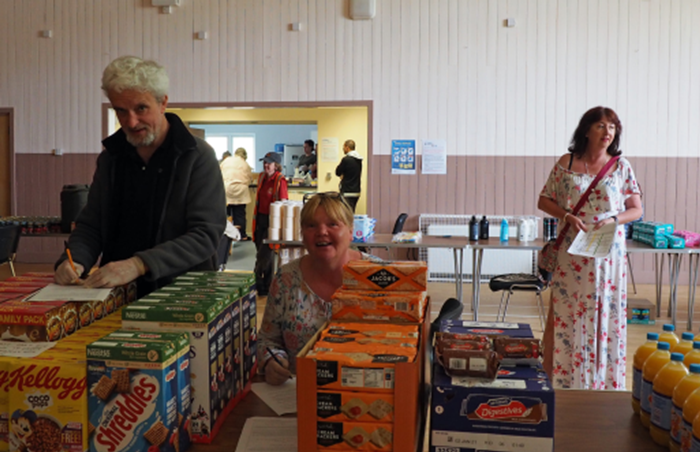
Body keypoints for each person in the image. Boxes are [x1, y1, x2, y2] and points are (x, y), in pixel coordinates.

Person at [54, 56, 226, 298]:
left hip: (183, 295)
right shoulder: (111, 158)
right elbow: (92, 225)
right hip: (117, 294)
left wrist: (138, 264)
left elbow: (205, 235)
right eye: (121, 111)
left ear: (163, 102)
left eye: (141, 108)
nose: (131, 122)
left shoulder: (197, 156)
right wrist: (75, 260)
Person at [538, 106, 642, 390]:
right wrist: (566, 216)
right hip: (572, 250)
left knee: (604, 309)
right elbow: (544, 199)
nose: (607, 132)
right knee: (568, 310)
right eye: (600, 126)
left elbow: (636, 209)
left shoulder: (621, 166)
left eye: (612, 127)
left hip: (607, 253)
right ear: (586, 130)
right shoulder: (567, 162)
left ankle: (602, 383)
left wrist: (613, 219)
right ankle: (565, 379)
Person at [258, 193, 379, 385]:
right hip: (299, 391)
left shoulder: (378, 276)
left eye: (332, 224)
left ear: (350, 231)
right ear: (302, 235)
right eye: (311, 225)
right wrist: (272, 362)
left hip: (366, 391)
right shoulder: (286, 279)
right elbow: (267, 340)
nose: (322, 231)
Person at [253, 152, 288, 296]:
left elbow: (283, 203)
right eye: (264, 162)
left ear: (276, 165)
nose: (266, 165)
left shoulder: (280, 180)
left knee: (265, 254)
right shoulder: (262, 177)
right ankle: (266, 287)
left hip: (272, 221)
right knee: (263, 253)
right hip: (260, 219)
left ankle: (256, 281)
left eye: (269, 163)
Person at [221, 147, 254, 240]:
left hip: (227, 189)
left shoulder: (226, 161)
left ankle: (226, 234)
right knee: (239, 214)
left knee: (226, 214)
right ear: (244, 156)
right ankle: (241, 235)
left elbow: (219, 173)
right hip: (240, 191)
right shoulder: (245, 164)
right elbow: (249, 179)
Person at [335, 139, 363, 212]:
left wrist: (343, 174)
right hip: (356, 191)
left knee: (345, 212)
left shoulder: (346, 160)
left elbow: (337, 172)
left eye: (343, 147)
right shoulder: (359, 160)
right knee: (351, 211)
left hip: (347, 191)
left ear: (347, 147)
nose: (343, 149)